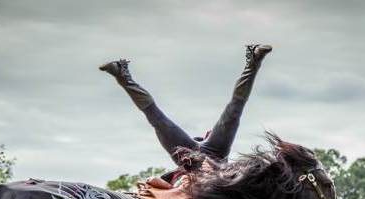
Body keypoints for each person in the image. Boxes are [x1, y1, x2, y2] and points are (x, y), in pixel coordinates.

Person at [100, 44, 272, 168]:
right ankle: (122, 73)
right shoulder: (193, 148)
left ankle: (254, 60)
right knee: (158, 119)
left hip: (212, 154)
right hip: (198, 156)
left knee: (234, 110)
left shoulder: (209, 146)